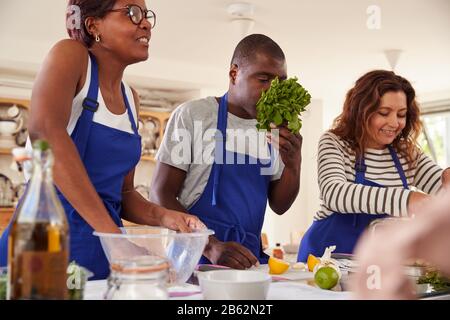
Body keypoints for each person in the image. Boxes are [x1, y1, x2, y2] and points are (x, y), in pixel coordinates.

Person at [0, 0, 204, 280]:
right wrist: (114, 240)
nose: (145, 23)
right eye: (132, 13)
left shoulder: (132, 99)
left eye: (146, 16)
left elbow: (124, 194)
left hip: (98, 253)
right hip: (46, 247)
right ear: (93, 25)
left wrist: (164, 216)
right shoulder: (71, 56)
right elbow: (45, 133)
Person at [150, 34, 303, 269]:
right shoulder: (194, 115)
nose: (272, 90)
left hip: (247, 260)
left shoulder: (275, 128)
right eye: (263, 79)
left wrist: (294, 163)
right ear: (234, 73)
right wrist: (209, 246)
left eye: (280, 82)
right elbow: (161, 194)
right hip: (193, 259)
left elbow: (279, 205)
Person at [297, 70, 449, 262]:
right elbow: (335, 193)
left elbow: (442, 189)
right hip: (324, 261)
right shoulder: (335, 142)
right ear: (361, 112)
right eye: (383, 113)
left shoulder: (407, 154)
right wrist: (408, 199)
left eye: (401, 114)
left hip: (375, 266)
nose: (394, 123)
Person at [350, 184, 450, 299]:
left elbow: (441, 185)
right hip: (341, 255)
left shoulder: (414, 165)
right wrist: (408, 198)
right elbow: (333, 191)